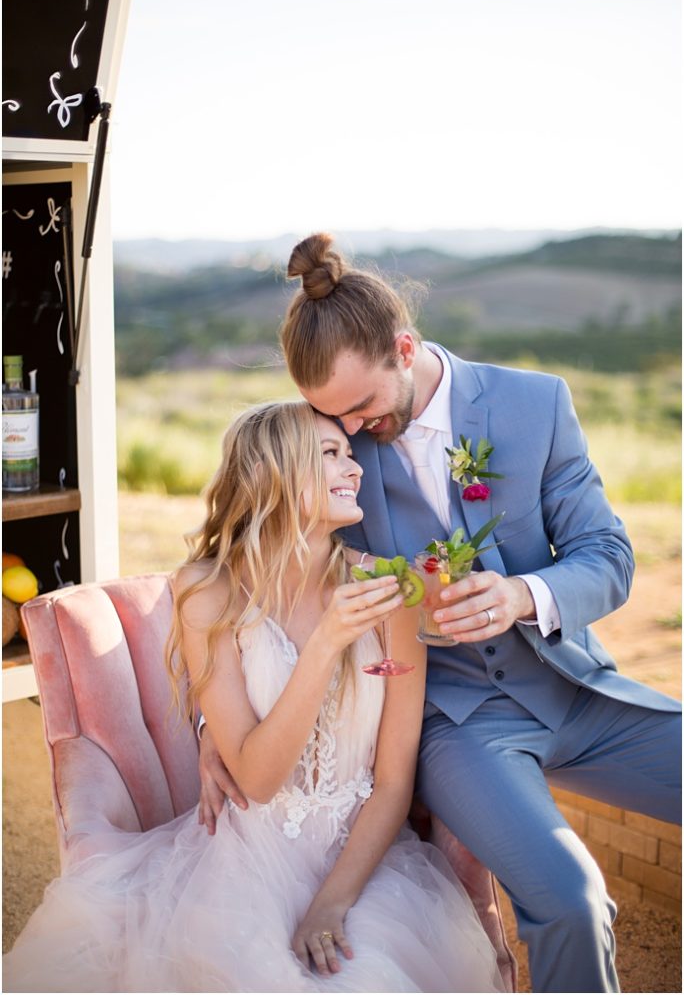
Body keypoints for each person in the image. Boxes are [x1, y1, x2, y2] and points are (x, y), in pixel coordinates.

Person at [198, 233, 682, 994]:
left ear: (405, 346)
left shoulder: (535, 404)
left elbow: (608, 556)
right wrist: (216, 726)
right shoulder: (339, 452)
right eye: (334, 420)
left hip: (577, 693)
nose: (351, 434)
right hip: (458, 726)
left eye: (361, 408)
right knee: (573, 900)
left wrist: (524, 595)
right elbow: (254, 563)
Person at [3, 400, 505, 994]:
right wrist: (325, 645)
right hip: (243, 865)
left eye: (350, 453)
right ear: (276, 471)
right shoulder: (207, 594)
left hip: (365, 866)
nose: (357, 470)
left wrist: (331, 905)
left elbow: (393, 782)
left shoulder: (391, 592)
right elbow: (259, 779)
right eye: (330, 454)